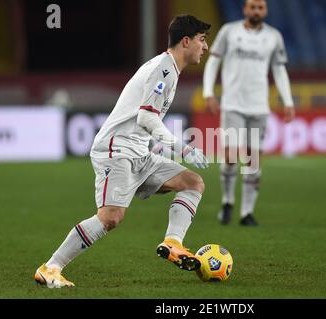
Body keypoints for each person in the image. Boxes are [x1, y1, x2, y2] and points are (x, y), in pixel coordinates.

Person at [34, 15, 211, 288]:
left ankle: (173, 243)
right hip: (116, 150)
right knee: (110, 217)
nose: (205, 47)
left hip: (139, 152)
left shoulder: (170, 69)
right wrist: (183, 148)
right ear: (186, 41)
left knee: (192, 182)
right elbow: (147, 119)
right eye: (202, 39)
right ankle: (50, 268)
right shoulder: (163, 70)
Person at [203, 0, 295, 226]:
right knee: (231, 157)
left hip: (258, 107)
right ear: (245, 9)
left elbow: (279, 69)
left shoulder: (273, 37)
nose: (256, 11)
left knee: (253, 161)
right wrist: (208, 92)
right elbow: (213, 61)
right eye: (252, 7)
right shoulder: (229, 32)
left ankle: (246, 213)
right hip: (233, 104)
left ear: (265, 10)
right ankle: (227, 201)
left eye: (260, 7)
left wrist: (288, 101)